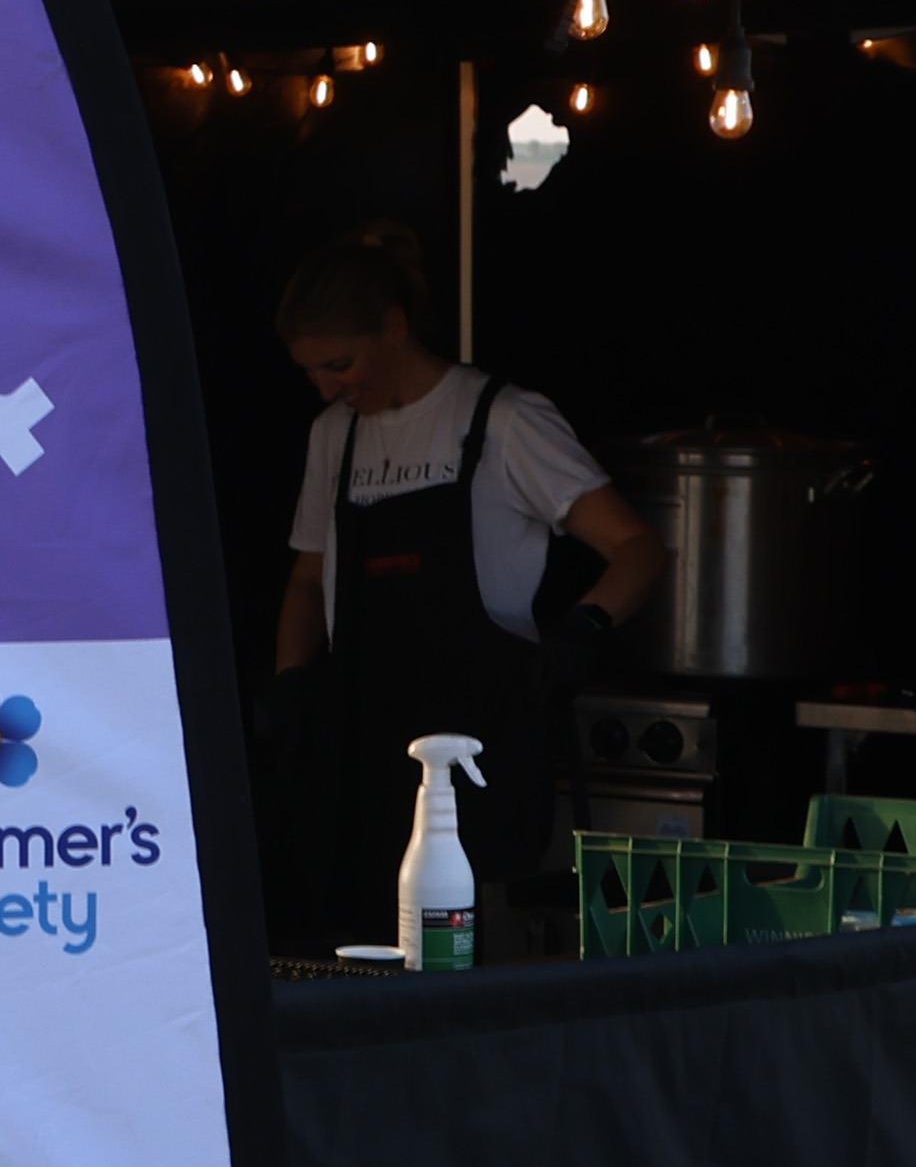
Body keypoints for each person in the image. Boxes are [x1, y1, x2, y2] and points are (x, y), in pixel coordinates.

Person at [267, 227, 650, 953]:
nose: (325, 387)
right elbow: (307, 579)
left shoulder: (502, 421)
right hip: (363, 760)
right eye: (311, 372)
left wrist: (584, 629)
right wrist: (290, 682)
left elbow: (636, 548)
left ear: (394, 327)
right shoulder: (332, 436)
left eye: (339, 364)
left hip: (483, 760)